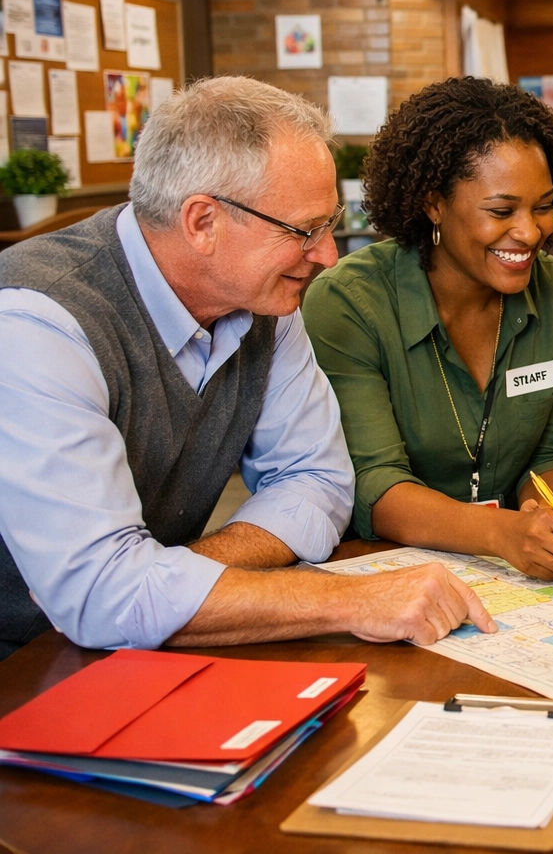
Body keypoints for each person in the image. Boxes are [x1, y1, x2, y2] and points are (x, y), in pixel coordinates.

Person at [0, 76, 494, 658]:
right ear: (203, 221)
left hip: (141, 648)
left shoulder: (261, 299)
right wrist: (353, 601)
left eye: (330, 223)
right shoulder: (37, 324)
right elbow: (100, 599)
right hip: (25, 664)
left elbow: (319, 482)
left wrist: (166, 577)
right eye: (304, 230)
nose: (327, 254)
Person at [304, 78, 553, 582]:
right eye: (501, 211)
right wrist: (503, 534)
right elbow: (375, 484)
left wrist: (544, 516)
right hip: (390, 571)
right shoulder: (349, 303)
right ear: (434, 203)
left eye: (543, 206)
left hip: (514, 577)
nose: (530, 232)